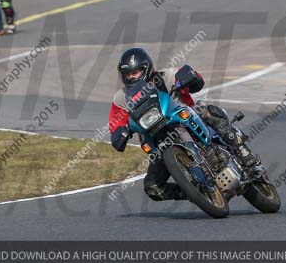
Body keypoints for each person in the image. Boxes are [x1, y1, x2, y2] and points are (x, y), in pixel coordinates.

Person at [108, 48, 258, 202]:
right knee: (153, 188)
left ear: (146, 69)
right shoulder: (121, 98)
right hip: (157, 140)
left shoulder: (167, 76)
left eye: (136, 72)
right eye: (128, 74)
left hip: (186, 117)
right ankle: (194, 192)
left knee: (208, 111)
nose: (132, 76)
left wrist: (190, 77)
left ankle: (244, 153)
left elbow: (195, 77)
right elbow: (115, 123)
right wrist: (120, 133)